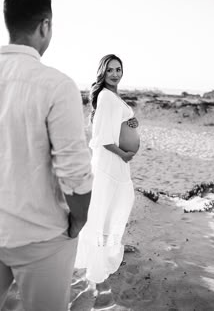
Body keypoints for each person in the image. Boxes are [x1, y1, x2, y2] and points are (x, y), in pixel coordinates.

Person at [0, 0, 93, 311]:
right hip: (41, 236)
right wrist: (79, 218)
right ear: (45, 25)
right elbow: (74, 171)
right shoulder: (56, 85)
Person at [75, 54, 140, 309]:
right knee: (105, 211)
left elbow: (119, 125)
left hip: (117, 164)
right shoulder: (104, 95)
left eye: (119, 69)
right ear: (103, 72)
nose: (115, 73)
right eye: (111, 70)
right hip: (109, 164)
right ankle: (98, 268)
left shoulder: (114, 96)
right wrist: (123, 153)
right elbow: (101, 136)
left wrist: (131, 122)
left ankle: (108, 253)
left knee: (119, 206)